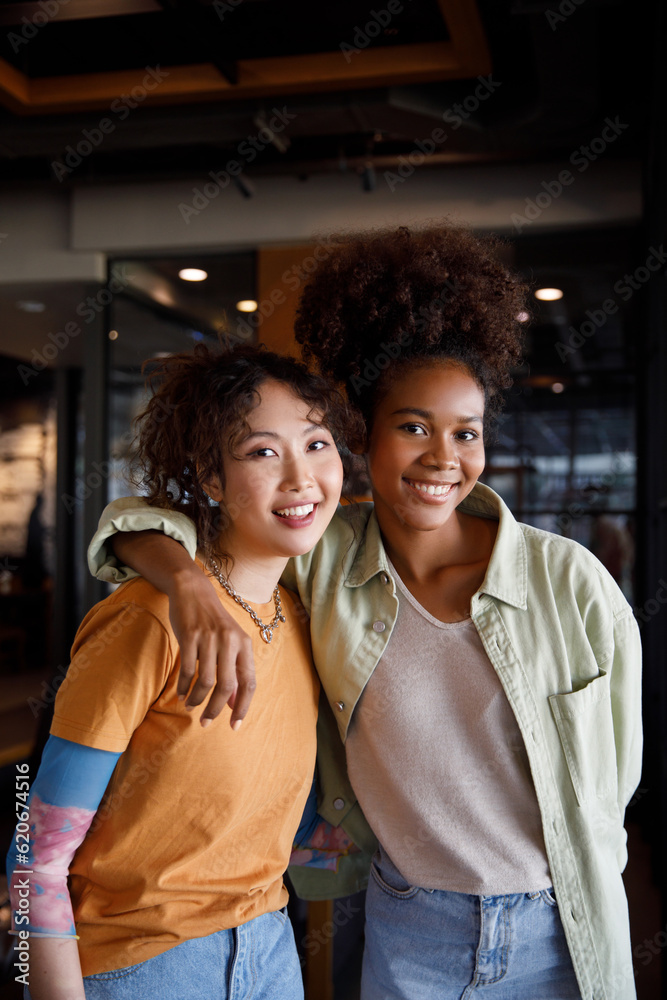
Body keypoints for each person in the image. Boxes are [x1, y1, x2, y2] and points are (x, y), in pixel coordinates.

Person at [87, 224, 642, 1000]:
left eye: (466, 433)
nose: (443, 457)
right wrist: (184, 581)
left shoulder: (571, 583)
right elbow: (149, 520)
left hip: (560, 930)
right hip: (407, 924)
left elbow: (615, 781)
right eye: (413, 426)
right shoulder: (321, 558)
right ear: (362, 436)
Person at [6, 343, 359, 1000]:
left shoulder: (307, 612)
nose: (299, 478)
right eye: (261, 452)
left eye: (316, 444)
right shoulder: (148, 618)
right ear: (210, 479)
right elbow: (34, 859)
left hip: (272, 946)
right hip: (145, 968)